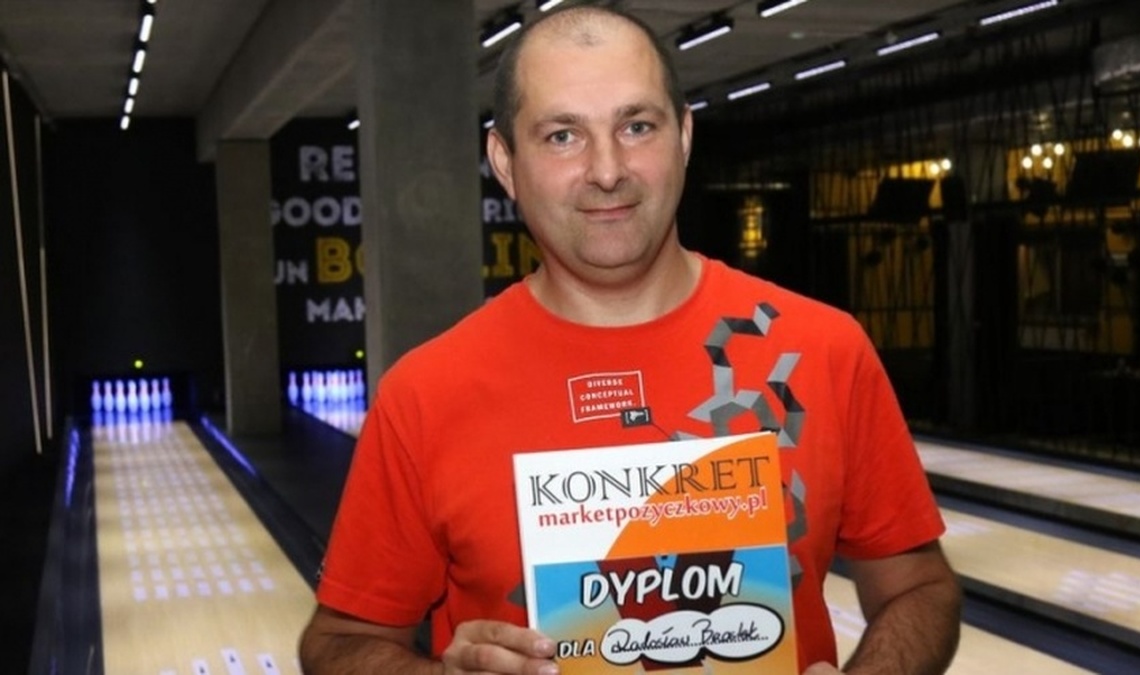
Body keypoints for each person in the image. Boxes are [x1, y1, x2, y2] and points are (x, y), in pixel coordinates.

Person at [299, 4, 961, 674]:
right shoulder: (425, 395)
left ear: (683, 137)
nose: (608, 169)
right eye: (563, 135)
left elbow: (920, 588)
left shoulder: (825, 349)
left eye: (636, 126)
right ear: (505, 161)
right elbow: (339, 644)